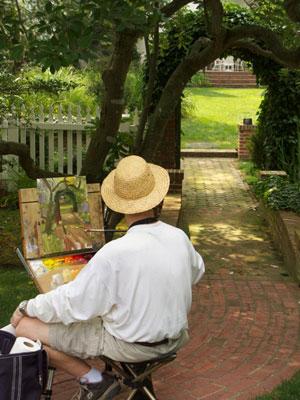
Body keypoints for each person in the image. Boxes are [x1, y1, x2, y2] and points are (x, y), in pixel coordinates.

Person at [9, 155, 205, 400]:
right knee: (110, 312)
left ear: (117, 205)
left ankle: (96, 381)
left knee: (25, 328)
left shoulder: (116, 253)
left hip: (132, 346)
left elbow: (73, 305)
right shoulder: (178, 237)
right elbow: (197, 272)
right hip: (173, 340)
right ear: (156, 197)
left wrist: (28, 306)